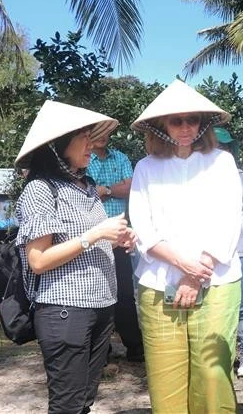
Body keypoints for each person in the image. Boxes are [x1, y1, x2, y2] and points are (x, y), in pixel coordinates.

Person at [13, 100, 136, 414]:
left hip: (101, 305)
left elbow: (96, 238)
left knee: (84, 401)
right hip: (65, 309)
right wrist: (94, 235)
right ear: (58, 145)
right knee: (67, 404)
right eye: (84, 137)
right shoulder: (41, 190)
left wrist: (120, 238)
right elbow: (38, 260)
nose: (92, 145)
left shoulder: (87, 186)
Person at [128, 79, 243, 413]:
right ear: (162, 125)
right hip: (158, 283)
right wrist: (182, 266)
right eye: (176, 120)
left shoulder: (221, 162)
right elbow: (143, 228)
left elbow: (229, 220)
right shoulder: (145, 168)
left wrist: (195, 274)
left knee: (212, 373)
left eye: (191, 119)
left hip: (217, 281)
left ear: (202, 123)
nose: (185, 127)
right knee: (166, 378)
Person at [87, 132, 144, 362]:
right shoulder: (83, 160)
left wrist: (105, 190)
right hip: (93, 238)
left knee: (124, 293)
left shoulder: (120, 157)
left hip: (120, 236)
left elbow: (130, 187)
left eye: (105, 133)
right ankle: (102, 349)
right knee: (95, 292)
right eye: (95, 133)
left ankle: (134, 346)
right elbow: (85, 193)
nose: (101, 137)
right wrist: (109, 189)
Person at [214, 126, 243, 377]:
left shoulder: (242, 178)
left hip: (238, 252)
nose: (219, 150)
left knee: (241, 307)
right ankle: (223, 355)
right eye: (214, 145)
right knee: (216, 307)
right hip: (207, 256)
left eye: (223, 146)